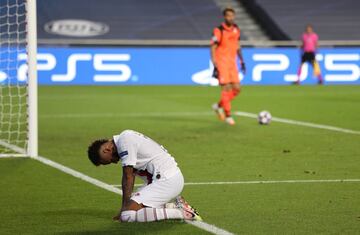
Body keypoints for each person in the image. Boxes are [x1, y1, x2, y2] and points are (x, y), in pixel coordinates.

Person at [87, 129, 202, 222]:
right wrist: (125, 207)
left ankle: (182, 213)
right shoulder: (125, 139)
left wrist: (124, 209)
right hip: (166, 179)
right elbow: (129, 175)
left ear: (106, 150)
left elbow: (128, 176)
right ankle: (173, 206)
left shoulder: (125, 140)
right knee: (131, 211)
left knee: (127, 215)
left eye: (110, 160)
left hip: (167, 180)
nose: (114, 162)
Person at [211, 7, 246, 126]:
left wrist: (242, 61)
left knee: (237, 88)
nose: (230, 18)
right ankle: (228, 115)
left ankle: (219, 106)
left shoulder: (236, 29)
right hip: (222, 63)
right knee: (226, 89)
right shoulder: (218, 30)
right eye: (228, 16)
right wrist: (215, 64)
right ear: (224, 17)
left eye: (232, 16)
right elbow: (213, 47)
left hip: (232, 63)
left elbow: (237, 45)